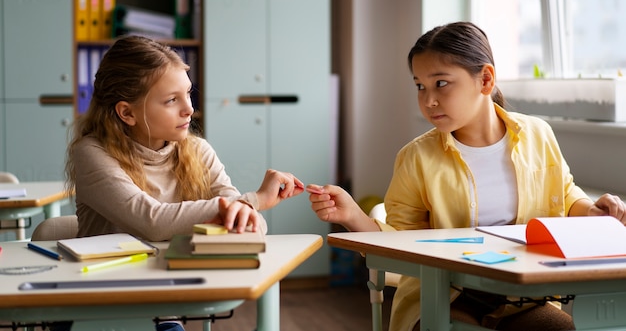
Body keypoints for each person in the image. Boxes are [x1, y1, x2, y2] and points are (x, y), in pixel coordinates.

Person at [307, 21, 626, 331]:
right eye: (420, 86)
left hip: (524, 299)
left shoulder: (537, 134)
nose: (428, 100)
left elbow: (565, 193)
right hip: (443, 298)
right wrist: (352, 215)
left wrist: (592, 210)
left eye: (441, 83)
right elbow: (396, 244)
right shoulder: (417, 157)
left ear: (485, 80)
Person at [63, 35, 304, 331]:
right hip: (95, 313)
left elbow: (250, 228)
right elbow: (150, 220)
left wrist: (247, 212)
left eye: (188, 94)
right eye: (171, 100)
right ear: (127, 112)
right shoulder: (91, 153)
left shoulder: (197, 151)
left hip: (161, 312)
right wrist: (250, 201)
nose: (189, 108)